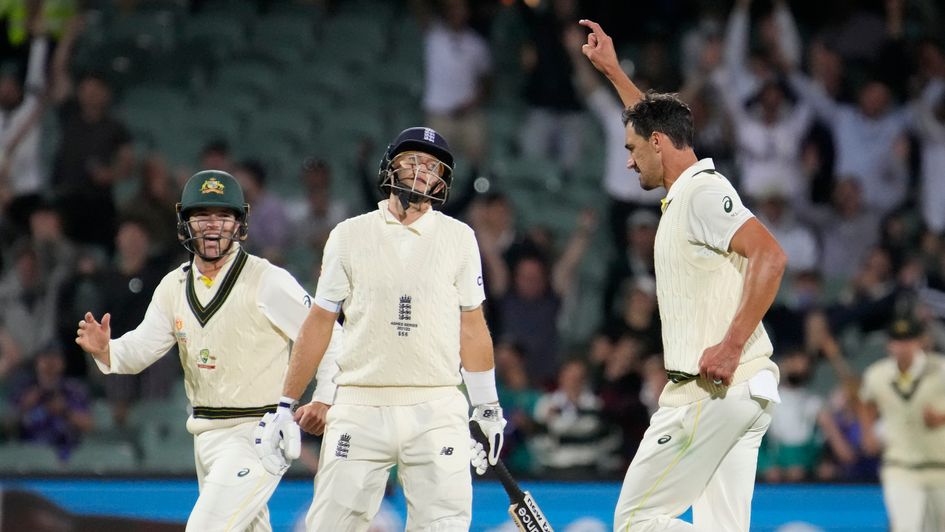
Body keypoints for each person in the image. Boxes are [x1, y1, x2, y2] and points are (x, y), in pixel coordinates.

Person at [579, 20, 787, 532]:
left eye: (632, 150)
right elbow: (652, 124)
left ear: (655, 143)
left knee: (636, 520)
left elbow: (771, 255)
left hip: (711, 390)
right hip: (738, 393)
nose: (628, 163)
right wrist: (613, 73)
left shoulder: (700, 194)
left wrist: (732, 345)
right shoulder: (683, 192)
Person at [255, 127, 505, 531]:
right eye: (411, 160)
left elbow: (473, 327)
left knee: (444, 525)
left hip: (437, 402)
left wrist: (487, 406)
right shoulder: (349, 235)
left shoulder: (460, 238)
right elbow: (320, 321)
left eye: (432, 165)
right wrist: (286, 402)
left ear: (443, 179)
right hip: (360, 402)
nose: (421, 170)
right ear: (390, 166)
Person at [75, 169, 342, 532]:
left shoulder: (267, 280)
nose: (212, 226)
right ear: (185, 223)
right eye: (202, 216)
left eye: (223, 216)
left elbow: (329, 334)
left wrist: (324, 397)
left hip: (257, 433)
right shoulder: (174, 285)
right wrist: (107, 350)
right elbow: (142, 348)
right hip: (205, 436)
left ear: (239, 224)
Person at [859, 316, 945, 532]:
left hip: (940, 466)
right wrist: (867, 433)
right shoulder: (877, 374)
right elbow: (866, 402)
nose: (902, 347)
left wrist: (941, 418)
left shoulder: (940, 369)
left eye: (908, 340)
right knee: (906, 527)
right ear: (889, 344)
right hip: (900, 466)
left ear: (921, 341)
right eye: (897, 341)